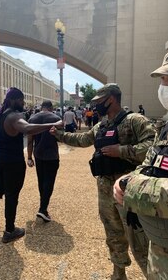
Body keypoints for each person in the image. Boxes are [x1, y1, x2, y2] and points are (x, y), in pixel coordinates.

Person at [50, 83, 155, 279]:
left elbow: (152, 147)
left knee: (139, 237)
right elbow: (83, 139)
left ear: (111, 99)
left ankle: (152, 274)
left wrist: (121, 151)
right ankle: (118, 271)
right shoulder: (102, 125)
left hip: (129, 189)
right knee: (113, 232)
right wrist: (59, 135)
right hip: (105, 189)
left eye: (99, 101)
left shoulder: (135, 120)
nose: (96, 105)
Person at [0, 88, 63, 244]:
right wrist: (54, 123)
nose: (23, 103)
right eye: (21, 100)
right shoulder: (13, 116)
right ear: (14, 100)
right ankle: (10, 230)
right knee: (12, 194)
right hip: (13, 161)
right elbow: (27, 128)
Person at [113, 52, 168, 279]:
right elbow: (151, 161)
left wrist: (131, 187)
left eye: (167, 79)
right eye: (163, 80)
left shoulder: (136, 120)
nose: (163, 86)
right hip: (159, 248)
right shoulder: (165, 125)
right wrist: (128, 178)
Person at [27, 100, 61, 222]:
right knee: (49, 182)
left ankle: (43, 206)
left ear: (42, 107)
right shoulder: (56, 118)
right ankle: (43, 209)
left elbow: (30, 140)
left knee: (41, 181)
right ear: (51, 107)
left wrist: (29, 157)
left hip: (38, 154)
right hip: (52, 154)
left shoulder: (32, 118)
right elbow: (60, 137)